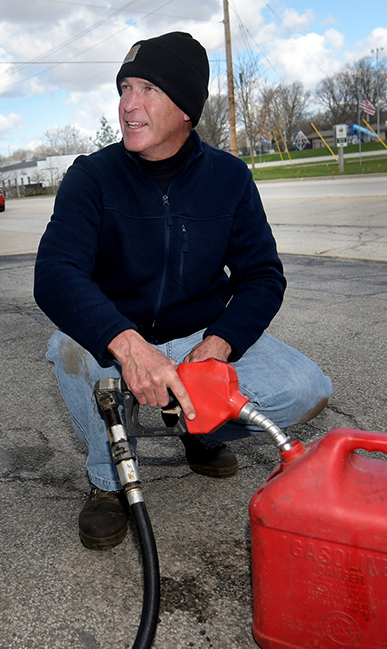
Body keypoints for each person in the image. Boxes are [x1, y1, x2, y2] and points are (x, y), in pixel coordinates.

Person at [34, 31, 332, 551]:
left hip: (197, 335)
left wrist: (217, 347)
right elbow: (55, 273)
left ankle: (199, 428)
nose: (128, 105)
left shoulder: (230, 178)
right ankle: (108, 481)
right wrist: (128, 348)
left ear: (187, 107)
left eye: (147, 89)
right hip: (114, 336)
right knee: (67, 349)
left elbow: (263, 276)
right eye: (124, 88)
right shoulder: (92, 176)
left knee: (307, 388)